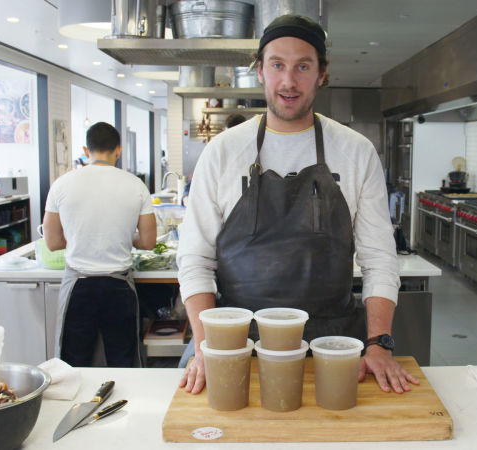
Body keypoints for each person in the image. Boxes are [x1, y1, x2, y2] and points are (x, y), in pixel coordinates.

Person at [177, 14, 419, 394]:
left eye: (303, 66)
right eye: (277, 65)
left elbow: (379, 260)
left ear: (322, 73)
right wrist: (210, 346)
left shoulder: (356, 152)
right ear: (260, 70)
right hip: (236, 345)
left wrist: (378, 343)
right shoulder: (222, 152)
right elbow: (195, 259)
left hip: (333, 350)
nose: (288, 81)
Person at [43, 122, 156, 367]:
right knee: (124, 361)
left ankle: (76, 406)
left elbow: (52, 242)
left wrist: (78, 236)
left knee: (73, 363)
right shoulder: (136, 185)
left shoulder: (62, 184)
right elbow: (148, 241)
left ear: (86, 149)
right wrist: (125, 236)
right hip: (119, 286)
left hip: (78, 286)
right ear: (118, 150)